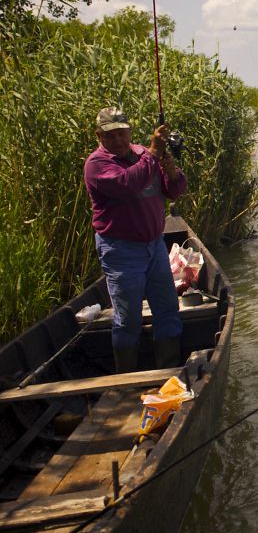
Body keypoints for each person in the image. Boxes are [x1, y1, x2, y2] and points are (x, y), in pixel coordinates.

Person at [84, 107, 188, 373]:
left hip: (154, 246)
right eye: (110, 136)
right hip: (120, 250)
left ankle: (169, 372)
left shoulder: (144, 155)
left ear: (129, 131)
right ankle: (125, 382)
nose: (117, 140)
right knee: (128, 318)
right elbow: (127, 184)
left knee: (167, 310)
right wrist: (153, 154)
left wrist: (172, 171)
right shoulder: (97, 165)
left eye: (121, 133)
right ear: (99, 136)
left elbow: (173, 191)